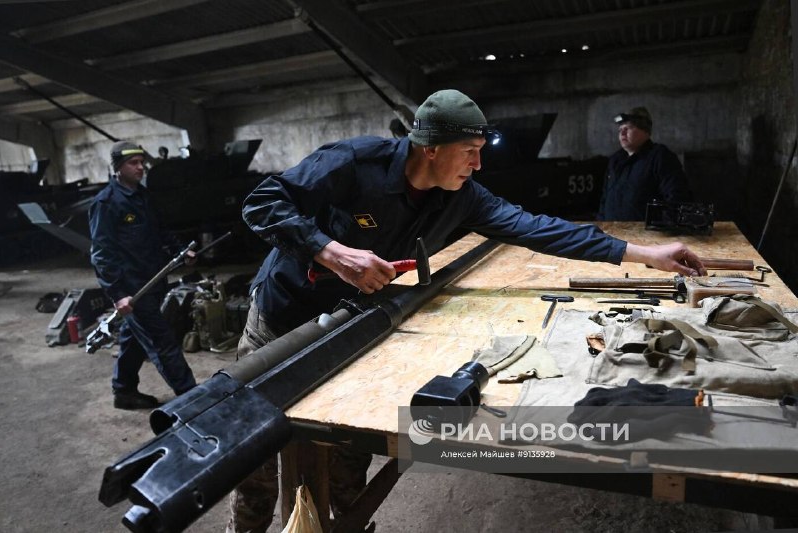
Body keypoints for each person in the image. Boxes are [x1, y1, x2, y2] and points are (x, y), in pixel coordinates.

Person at [228, 89, 707, 531]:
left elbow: (538, 228)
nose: (478, 164)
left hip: (352, 325)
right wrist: (332, 252)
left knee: (346, 448)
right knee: (253, 456)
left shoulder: (462, 196)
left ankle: (349, 521)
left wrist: (645, 254)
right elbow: (263, 202)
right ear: (431, 148)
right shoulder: (355, 162)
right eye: (470, 151)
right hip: (285, 317)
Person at [89, 141, 197, 410]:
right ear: (118, 167)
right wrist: (117, 294)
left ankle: (124, 391)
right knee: (162, 342)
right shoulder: (106, 203)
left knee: (133, 336)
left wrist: (180, 250)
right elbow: (102, 254)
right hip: (133, 288)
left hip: (154, 280)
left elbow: (159, 230)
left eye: (142, 162)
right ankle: (194, 399)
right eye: (133, 163)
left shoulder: (142, 196)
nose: (140, 167)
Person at [597, 106, 691, 221]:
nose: (622, 133)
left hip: (644, 232)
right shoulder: (615, 160)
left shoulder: (660, 157)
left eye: (629, 128)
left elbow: (676, 197)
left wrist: (659, 227)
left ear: (645, 130)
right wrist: (601, 224)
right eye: (620, 129)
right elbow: (604, 199)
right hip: (612, 230)